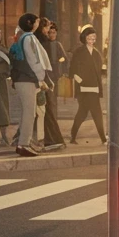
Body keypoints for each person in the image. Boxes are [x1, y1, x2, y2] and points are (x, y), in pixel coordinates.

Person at [10, 12, 49, 157]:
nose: (38, 24)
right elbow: (34, 59)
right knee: (29, 112)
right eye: (36, 22)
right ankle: (23, 144)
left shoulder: (22, 37)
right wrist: (40, 77)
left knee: (26, 112)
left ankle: (23, 142)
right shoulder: (29, 38)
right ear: (29, 23)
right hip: (27, 79)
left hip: (22, 78)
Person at [69, 25, 106, 144]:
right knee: (92, 113)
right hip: (83, 88)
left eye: (94, 38)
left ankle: (73, 136)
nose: (92, 40)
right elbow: (72, 69)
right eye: (89, 37)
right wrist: (79, 79)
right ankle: (103, 138)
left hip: (94, 87)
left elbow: (100, 69)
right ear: (84, 38)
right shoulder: (78, 52)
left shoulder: (96, 53)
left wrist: (104, 72)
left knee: (86, 113)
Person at [36, 17, 66, 151]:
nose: (50, 31)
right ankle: (51, 138)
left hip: (45, 78)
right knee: (47, 108)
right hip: (45, 78)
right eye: (48, 28)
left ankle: (47, 138)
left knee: (43, 108)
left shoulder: (42, 41)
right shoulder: (45, 42)